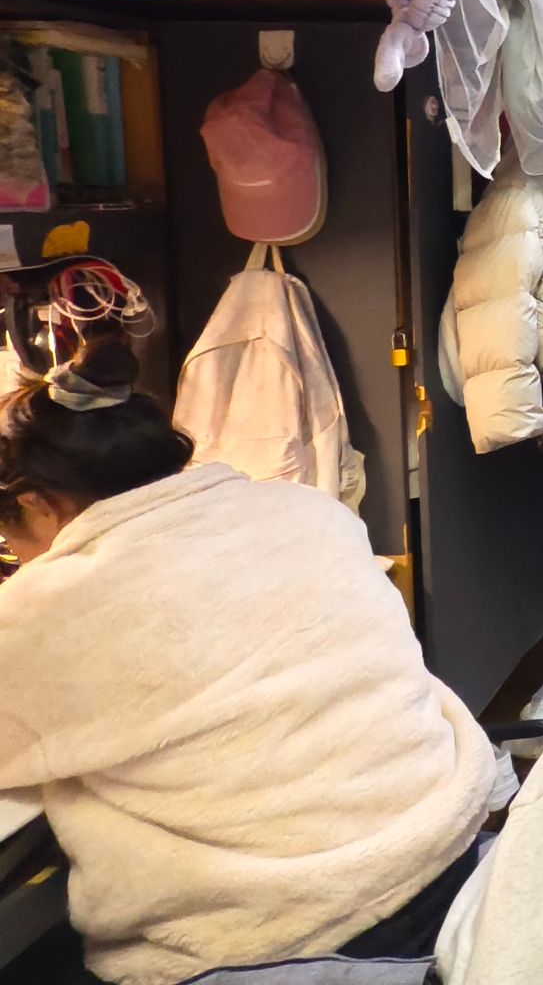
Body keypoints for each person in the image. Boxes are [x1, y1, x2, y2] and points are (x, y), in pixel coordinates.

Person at [0, 333, 494, 985]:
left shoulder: (47, 609)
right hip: (452, 851)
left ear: (35, 502)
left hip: (303, 929)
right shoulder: (307, 509)